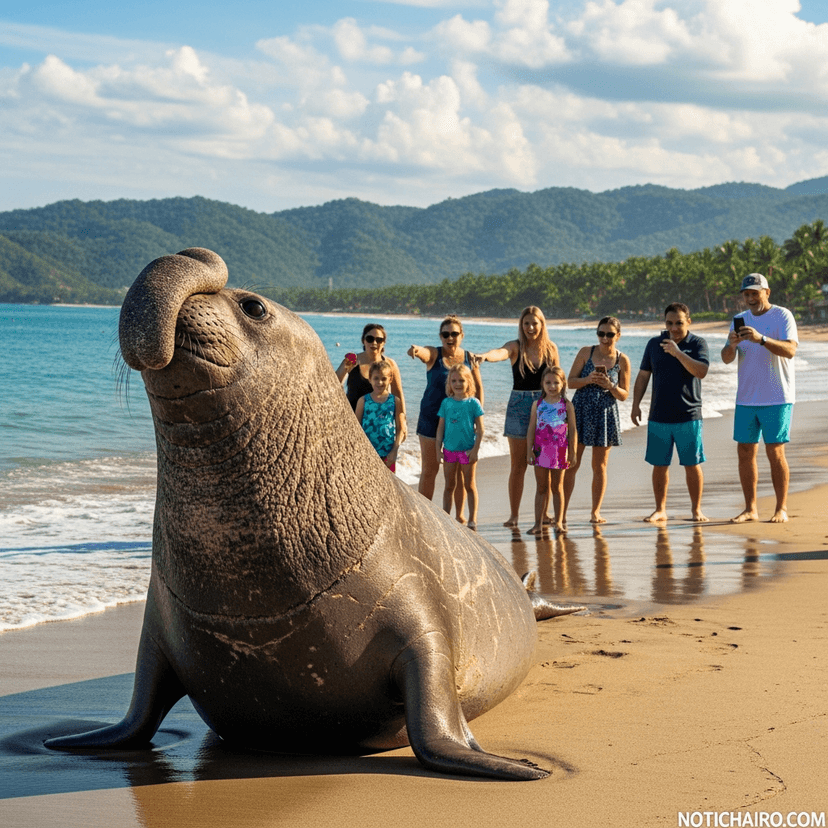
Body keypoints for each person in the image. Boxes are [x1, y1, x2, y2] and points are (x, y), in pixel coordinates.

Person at [720, 273, 798, 523]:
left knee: (775, 452)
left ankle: (781, 508)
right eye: (747, 294)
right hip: (746, 398)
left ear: (767, 292)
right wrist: (731, 345)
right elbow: (726, 358)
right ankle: (750, 508)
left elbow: (790, 350)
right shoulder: (739, 321)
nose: (751, 298)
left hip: (777, 396)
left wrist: (761, 339)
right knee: (744, 452)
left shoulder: (782, 315)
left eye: (755, 292)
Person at [474, 306, 560, 528]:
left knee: (546, 464)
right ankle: (514, 515)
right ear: (521, 326)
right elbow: (499, 352)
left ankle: (545, 512)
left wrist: (561, 413)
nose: (530, 328)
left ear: (542, 324)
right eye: (526, 324)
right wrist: (485, 357)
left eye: (534, 323)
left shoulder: (551, 349)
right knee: (518, 466)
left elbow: (558, 381)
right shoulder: (515, 347)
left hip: (545, 408)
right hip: (519, 407)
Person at [630, 303, 710, 523]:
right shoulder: (654, 344)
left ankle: (696, 510)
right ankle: (660, 509)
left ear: (688, 322)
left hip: (688, 414)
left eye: (679, 323)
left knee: (692, 464)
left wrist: (677, 352)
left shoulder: (697, 343)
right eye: (669, 323)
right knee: (659, 465)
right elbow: (644, 376)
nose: (673, 328)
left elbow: (701, 371)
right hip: (659, 415)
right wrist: (635, 404)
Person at [408, 315, 484, 510]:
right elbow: (425, 353)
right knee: (430, 470)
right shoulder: (435, 354)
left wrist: (477, 419)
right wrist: (417, 351)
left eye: (454, 334)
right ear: (440, 336)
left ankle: (458, 520)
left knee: (458, 474)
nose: (450, 338)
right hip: (431, 420)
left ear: (462, 335)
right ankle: (424, 513)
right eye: (445, 334)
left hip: (460, 424)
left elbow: (478, 389)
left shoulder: (469, 358)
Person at [563, 317, 631, 524]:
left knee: (599, 466)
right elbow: (570, 382)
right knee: (571, 463)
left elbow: (624, 394)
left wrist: (610, 385)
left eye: (610, 334)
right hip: (581, 411)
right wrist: (588, 380)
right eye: (601, 333)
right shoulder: (586, 352)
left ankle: (595, 512)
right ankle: (562, 512)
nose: (604, 338)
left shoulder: (622, 360)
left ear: (618, 336)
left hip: (605, 414)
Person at [526, 366, 576, 536]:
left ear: (563, 384)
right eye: (548, 382)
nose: (552, 386)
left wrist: (573, 452)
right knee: (541, 487)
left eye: (556, 382)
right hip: (540, 451)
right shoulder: (537, 404)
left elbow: (573, 430)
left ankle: (559, 523)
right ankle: (538, 524)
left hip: (560, 451)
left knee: (557, 487)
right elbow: (531, 428)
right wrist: (529, 450)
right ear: (543, 384)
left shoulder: (567, 405)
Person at [435, 364, 485, 530]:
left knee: (469, 485)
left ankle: (472, 519)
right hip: (449, 450)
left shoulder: (473, 403)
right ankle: (445, 518)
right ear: (449, 383)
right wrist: (438, 450)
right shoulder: (446, 403)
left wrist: (475, 450)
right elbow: (440, 428)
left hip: (467, 451)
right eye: (454, 380)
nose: (457, 384)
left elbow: (481, 429)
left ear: (468, 382)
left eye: (461, 380)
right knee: (449, 485)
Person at [335, 323, 406, 421]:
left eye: (379, 340)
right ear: (363, 340)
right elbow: (334, 383)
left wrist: (402, 420)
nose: (374, 343)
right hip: (352, 420)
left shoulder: (390, 364)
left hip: (380, 421)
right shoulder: (353, 361)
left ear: (384, 342)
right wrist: (344, 366)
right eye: (370, 339)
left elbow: (397, 393)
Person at [356, 360, 405, 473]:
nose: (380, 382)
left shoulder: (395, 401)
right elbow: (356, 428)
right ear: (370, 379)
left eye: (384, 379)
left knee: (389, 487)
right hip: (366, 453)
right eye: (376, 378)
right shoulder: (363, 401)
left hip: (388, 454)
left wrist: (394, 451)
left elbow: (400, 428)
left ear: (390, 379)